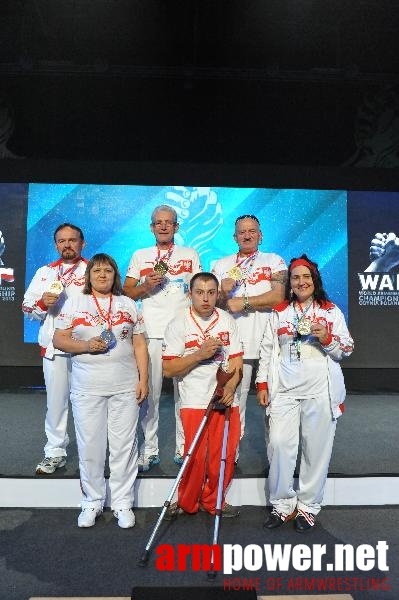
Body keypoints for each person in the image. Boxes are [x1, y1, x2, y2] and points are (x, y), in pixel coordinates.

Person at [256, 254, 354, 532]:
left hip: (319, 392)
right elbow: (267, 350)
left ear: (315, 280)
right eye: (296, 277)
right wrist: (262, 384)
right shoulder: (279, 312)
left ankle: (308, 506)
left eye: (306, 277)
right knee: (278, 445)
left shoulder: (331, 311)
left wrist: (326, 338)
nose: (301, 282)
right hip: (284, 391)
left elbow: (346, 349)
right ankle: (282, 503)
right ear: (290, 282)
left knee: (316, 450)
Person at [53, 253, 148, 528]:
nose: (102, 275)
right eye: (97, 271)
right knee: (91, 447)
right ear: (89, 276)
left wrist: (143, 380)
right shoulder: (74, 303)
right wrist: (85, 346)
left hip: (125, 387)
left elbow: (139, 344)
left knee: (124, 447)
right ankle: (92, 502)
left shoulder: (129, 304)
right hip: (87, 388)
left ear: (115, 275)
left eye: (108, 270)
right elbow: (59, 339)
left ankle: (122, 503)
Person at [123, 204, 202, 471]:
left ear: (177, 227)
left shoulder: (190, 254)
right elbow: (127, 293)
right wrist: (146, 285)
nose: (164, 226)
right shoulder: (140, 255)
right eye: (159, 222)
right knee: (151, 395)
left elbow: (197, 289)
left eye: (169, 222)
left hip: (183, 333)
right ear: (152, 227)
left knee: (186, 395)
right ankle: (150, 449)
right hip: (152, 333)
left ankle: (183, 447)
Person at [162, 272, 243, 518]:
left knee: (224, 456)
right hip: (195, 399)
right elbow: (168, 369)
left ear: (217, 294)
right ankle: (187, 502)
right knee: (195, 457)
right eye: (199, 292)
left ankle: (214, 500)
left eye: (210, 293)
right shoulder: (178, 323)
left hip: (225, 398)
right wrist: (199, 354)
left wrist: (230, 387)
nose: (205, 298)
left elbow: (237, 361)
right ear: (190, 294)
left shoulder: (227, 320)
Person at [212, 215, 286, 456]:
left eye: (252, 231)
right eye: (242, 232)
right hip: (236, 343)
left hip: (269, 342)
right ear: (234, 237)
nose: (247, 235)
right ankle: (230, 454)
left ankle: (275, 454)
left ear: (260, 235)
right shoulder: (221, 265)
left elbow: (278, 297)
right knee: (235, 400)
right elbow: (213, 302)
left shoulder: (274, 261)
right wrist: (223, 293)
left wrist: (243, 302)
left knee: (272, 402)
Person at [22, 223, 87, 474]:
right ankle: (55, 451)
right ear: (56, 244)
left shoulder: (94, 270)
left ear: (82, 243)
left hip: (86, 348)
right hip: (55, 349)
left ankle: (89, 454)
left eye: (72, 240)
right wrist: (42, 302)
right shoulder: (45, 273)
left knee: (88, 404)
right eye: (62, 241)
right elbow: (28, 309)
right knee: (56, 403)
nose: (67, 244)